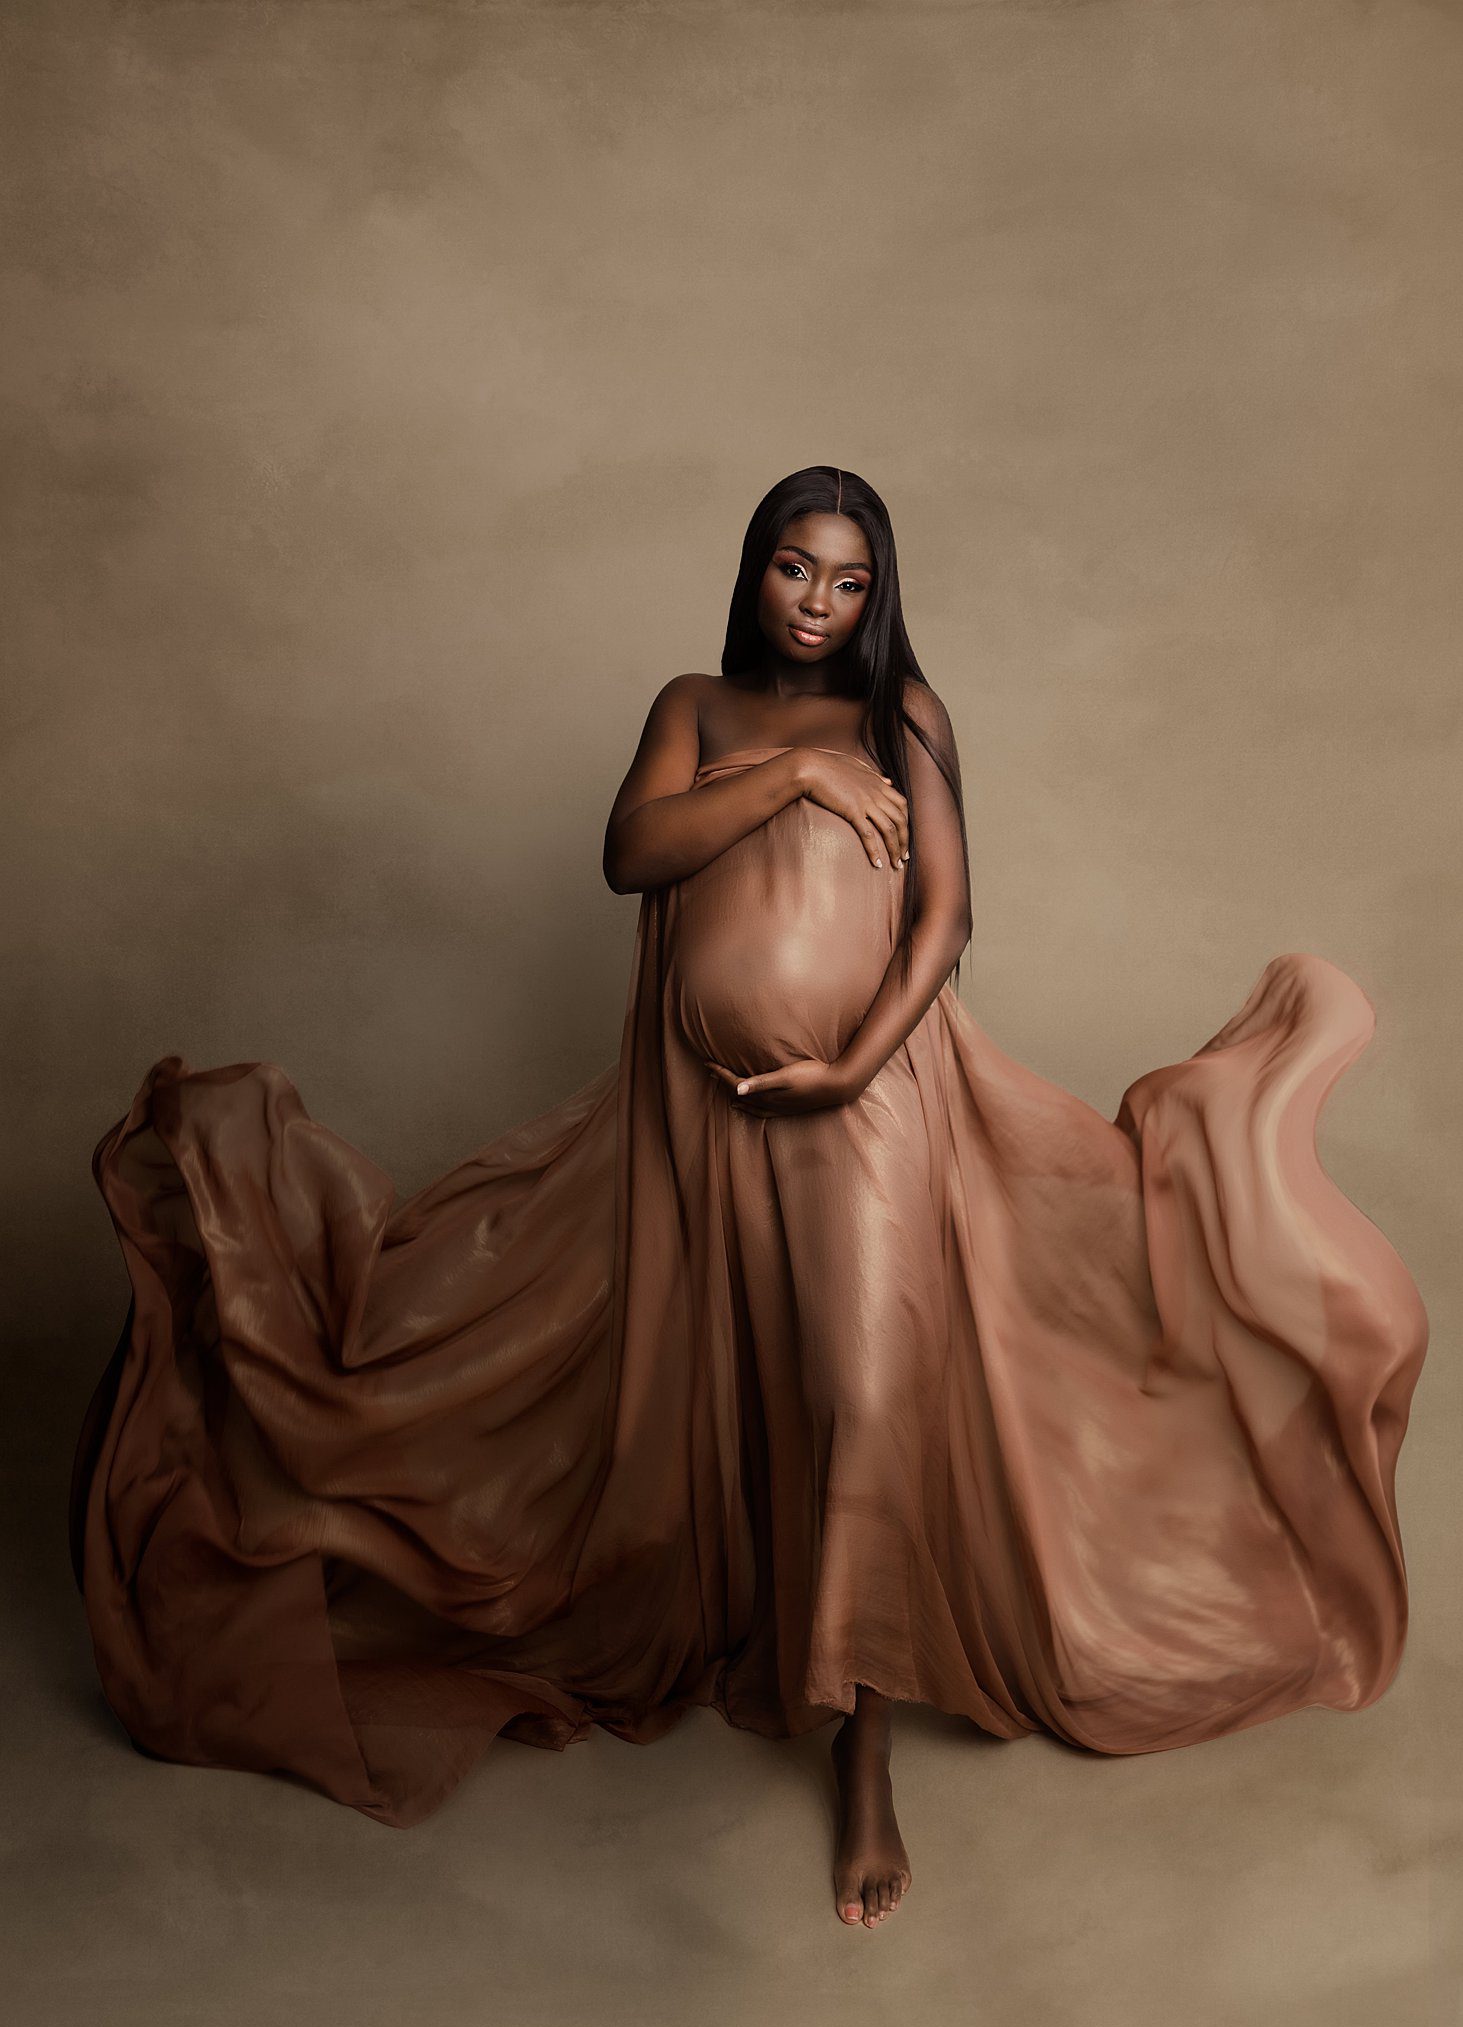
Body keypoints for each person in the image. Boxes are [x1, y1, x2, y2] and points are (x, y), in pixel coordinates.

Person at [70, 466, 1429, 1934]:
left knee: (858, 1391)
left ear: (877, 592)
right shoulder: (697, 710)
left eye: (849, 581)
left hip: (869, 1104)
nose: (820, 603)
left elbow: (947, 914)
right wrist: (787, 777)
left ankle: (863, 1757)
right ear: (756, 569)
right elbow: (626, 857)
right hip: (703, 1123)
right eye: (796, 570)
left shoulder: (905, 714)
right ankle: (771, 1640)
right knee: (731, 1388)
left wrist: (852, 1062)